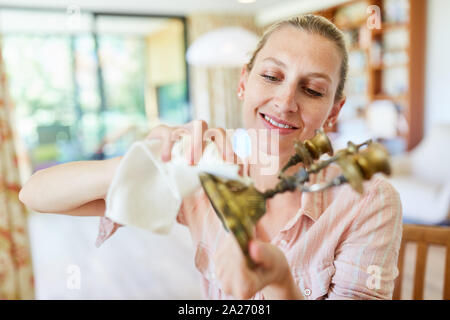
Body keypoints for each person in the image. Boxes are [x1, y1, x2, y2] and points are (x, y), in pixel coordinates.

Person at [19, 14, 402, 300]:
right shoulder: (204, 172)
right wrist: (147, 159)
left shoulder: (368, 200)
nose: (285, 101)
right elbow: (36, 195)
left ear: (334, 111)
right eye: (271, 76)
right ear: (242, 83)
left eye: (313, 90)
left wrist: (281, 283)